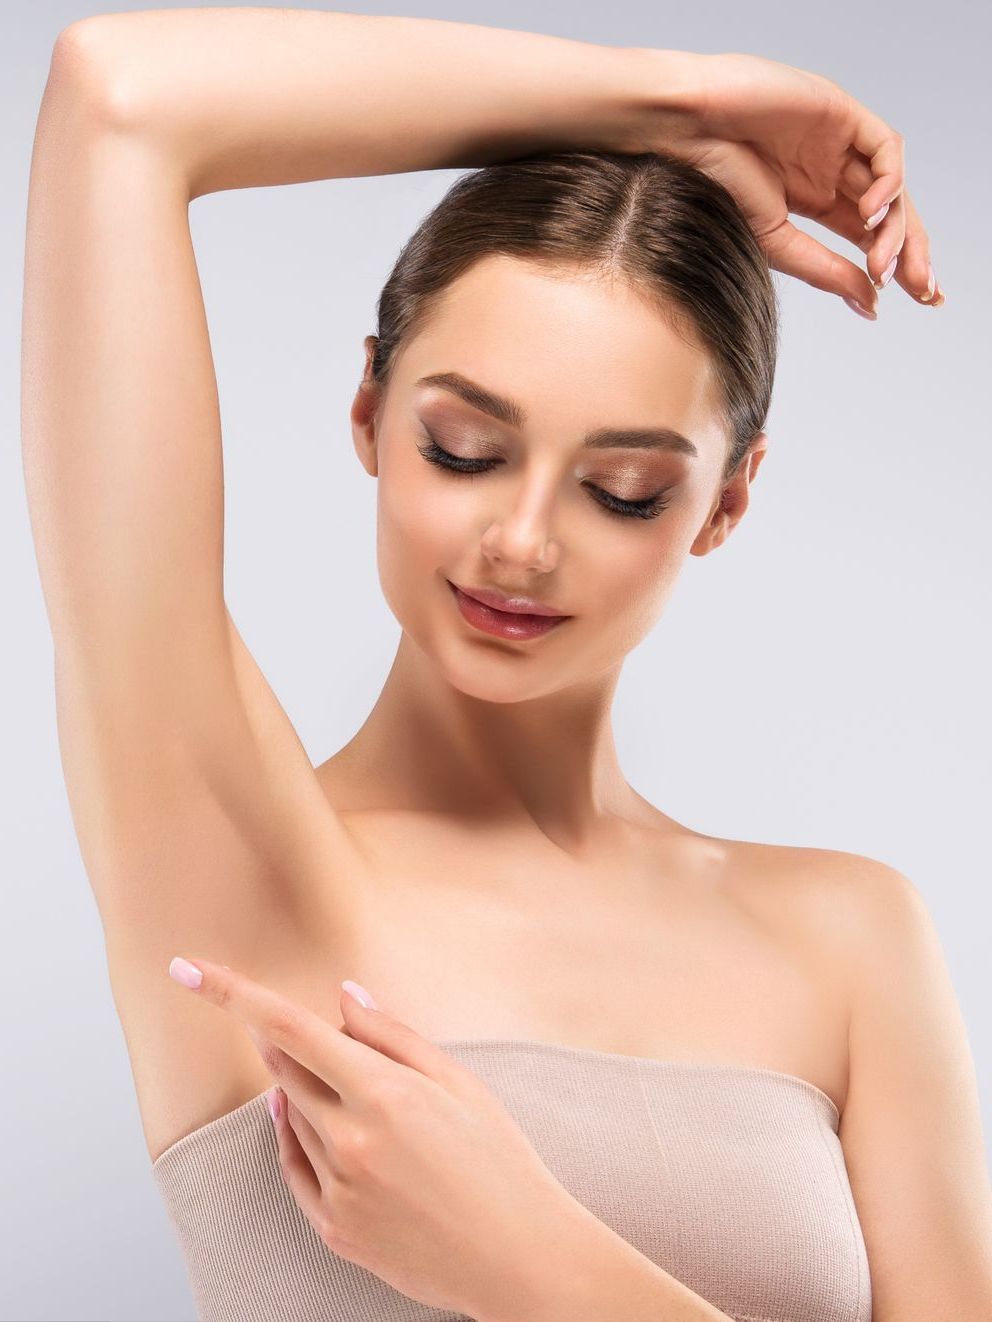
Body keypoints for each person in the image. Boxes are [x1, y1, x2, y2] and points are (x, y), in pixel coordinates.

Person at [22, 9, 988, 1322]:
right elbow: (120, 95)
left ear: (726, 501)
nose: (522, 541)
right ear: (369, 409)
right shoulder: (239, 860)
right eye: (464, 447)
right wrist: (673, 104)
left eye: (624, 488)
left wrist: (532, 1261)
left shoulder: (854, 941)